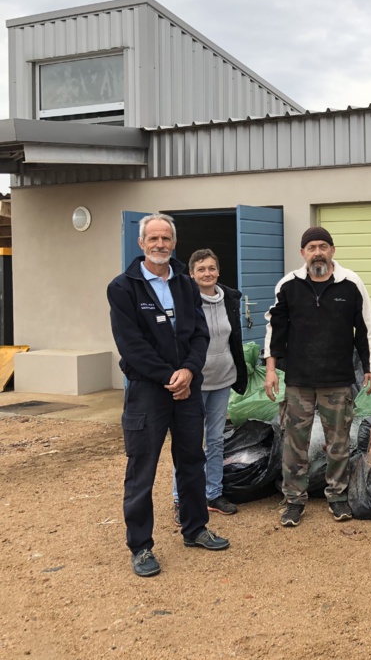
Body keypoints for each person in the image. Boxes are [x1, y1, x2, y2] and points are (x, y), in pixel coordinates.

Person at [107, 213, 230, 578]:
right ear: (142, 243)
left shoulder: (185, 284)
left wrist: (190, 371)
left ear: (174, 243)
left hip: (187, 388)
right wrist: (169, 376)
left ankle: (195, 528)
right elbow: (131, 346)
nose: (160, 245)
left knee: (192, 459)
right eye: (153, 239)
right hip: (148, 390)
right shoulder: (123, 287)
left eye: (166, 239)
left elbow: (199, 335)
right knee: (141, 469)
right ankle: (141, 546)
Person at [264, 226, 371, 527]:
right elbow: (275, 329)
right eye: (311, 247)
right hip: (298, 381)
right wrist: (270, 370)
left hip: (337, 380)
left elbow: (367, 327)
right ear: (303, 253)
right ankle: (294, 500)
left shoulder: (350, 283)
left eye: (323, 246)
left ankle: (337, 496)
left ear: (332, 251)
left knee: (339, 442)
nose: (318, 251)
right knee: (295, 442)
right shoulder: (288, 285)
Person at [171, 249, 248, 526]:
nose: (207, 273)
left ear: (218, 271)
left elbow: (233, 338)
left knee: (215, 439)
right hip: (194, 381)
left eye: (212, 268)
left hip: (223, 378)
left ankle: (213, 493)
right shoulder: (184, 300)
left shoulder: (229, 300)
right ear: (191, 274)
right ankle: (182, 498)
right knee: (189, 443)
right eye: (201, 269)